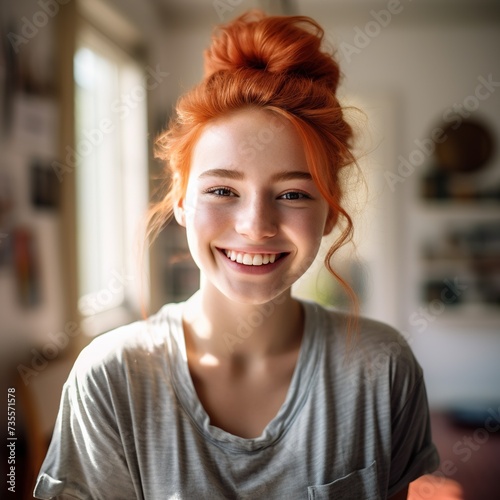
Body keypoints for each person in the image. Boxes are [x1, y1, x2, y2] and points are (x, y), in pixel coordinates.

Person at [34, 10, 440, 500]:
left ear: (330, 212)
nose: (255, 226)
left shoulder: (383, 368)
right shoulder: (110, 377)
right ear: (181, 200)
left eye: (293, 194)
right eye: (224, 190)